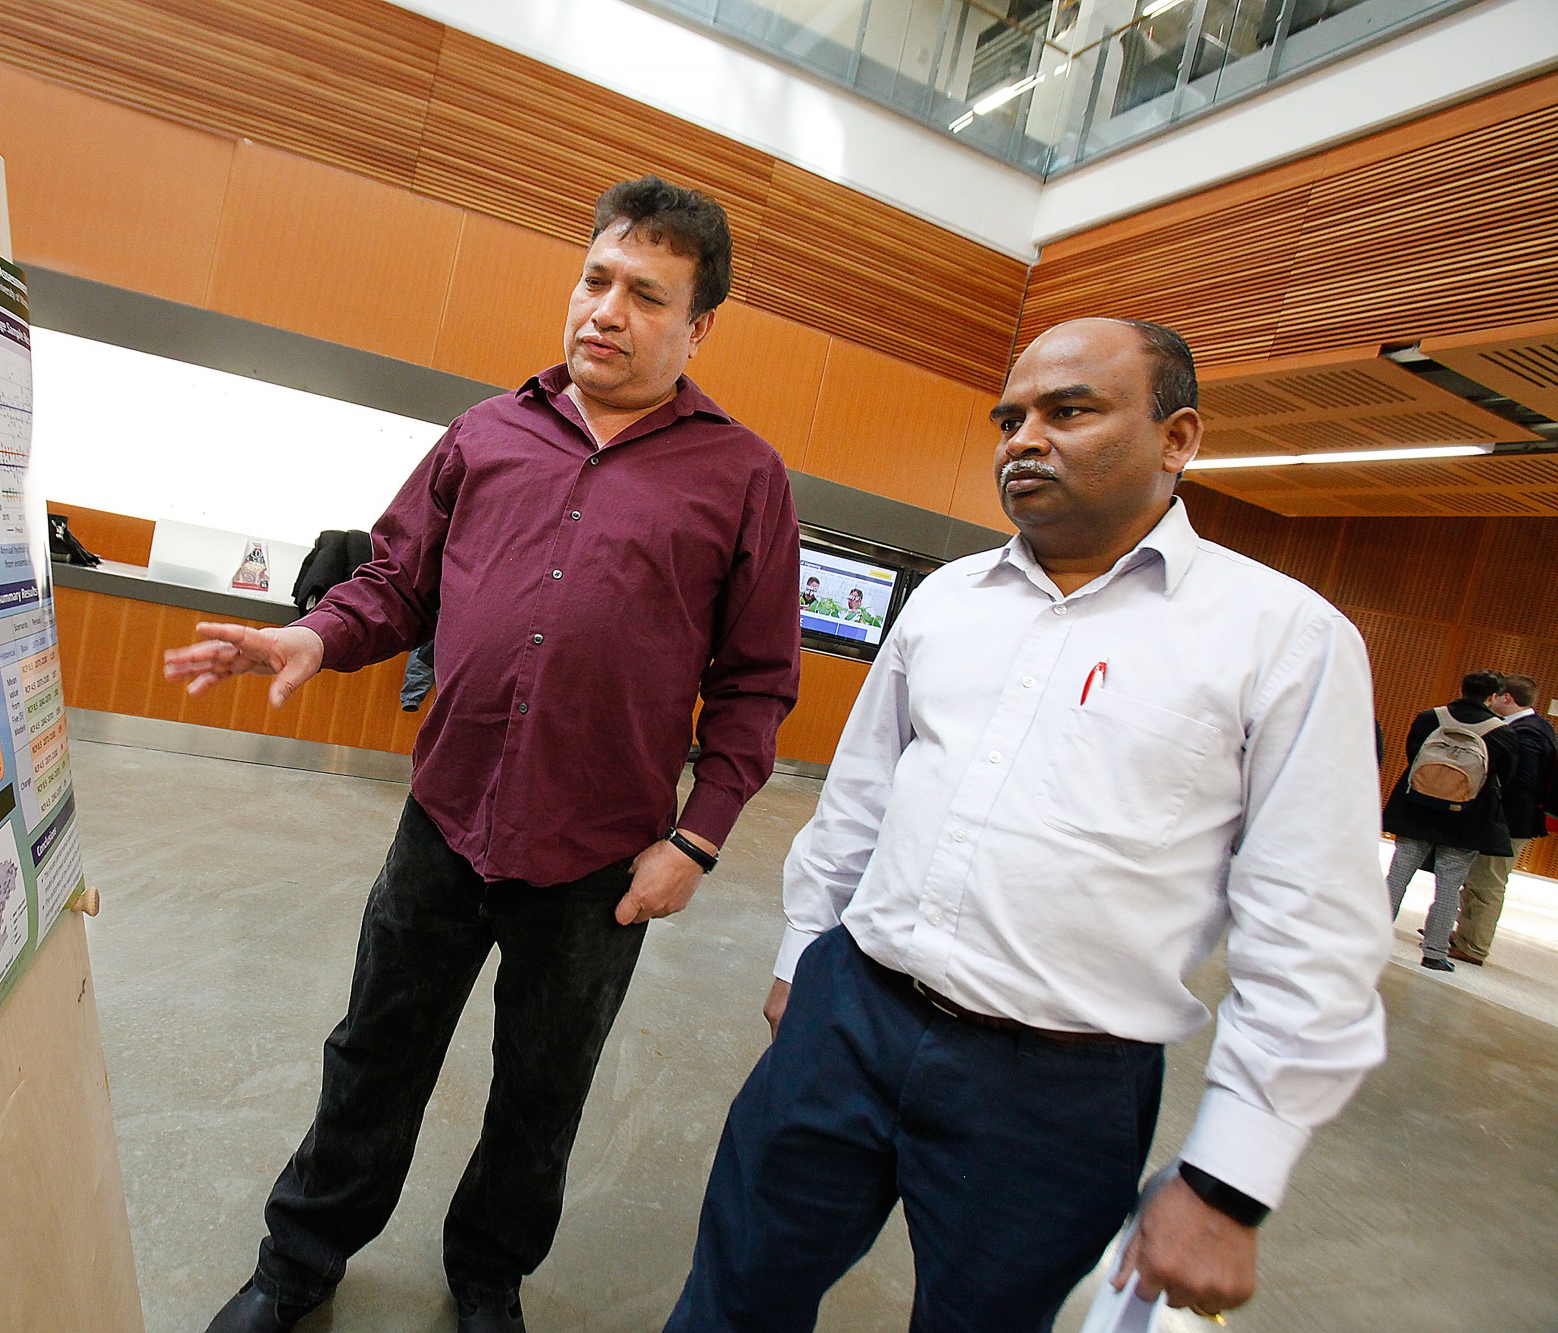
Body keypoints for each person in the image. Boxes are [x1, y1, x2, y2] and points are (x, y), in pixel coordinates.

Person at [664, 317, 1392, 1332]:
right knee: (732, 1294)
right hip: (846, 1018)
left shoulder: (1284, 640)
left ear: (1176, 437)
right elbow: (861, 798)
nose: (1022, 438)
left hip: (1055, 1091)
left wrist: (1227, 1180)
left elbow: (1310, 931)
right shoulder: (948, 600)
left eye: (1070, 410)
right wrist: (801, 955)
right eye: (1010, 416)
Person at [163, 177, 801, 1333]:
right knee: (373, 1052)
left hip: (601, 862)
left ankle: (487, 1275)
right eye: (594, 279)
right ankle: (299, 1258)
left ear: (698, 325)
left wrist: (695, 842)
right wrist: (311, 632)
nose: (603, 310)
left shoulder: (742, 478)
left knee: (541, 1093)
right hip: (445, 824)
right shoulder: (486, 434)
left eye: (643, 294)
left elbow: (756, 685)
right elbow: (397, 582)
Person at [1384, 670, 1519, 971]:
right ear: (1493, 696)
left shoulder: (1429, 717)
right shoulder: (1501, 733)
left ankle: (1373, 937)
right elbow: (1505, 778)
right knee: (1448, 888)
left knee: (1397, 878)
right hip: (1465, 821)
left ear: (1462, 688)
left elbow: (1413, 755)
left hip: (1416, 810)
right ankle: (1434, 953)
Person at [1450, 673, 1556, 964]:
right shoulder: (1534, 727)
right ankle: (1463, 934)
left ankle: (1473, 946)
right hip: (1507, 820)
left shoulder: (1529, 732)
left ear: (1506, 698)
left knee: (1488, 884)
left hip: (1509, 821)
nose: (1490, 700)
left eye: (1495, 696)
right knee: (1477, 879)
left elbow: (1523, 781)